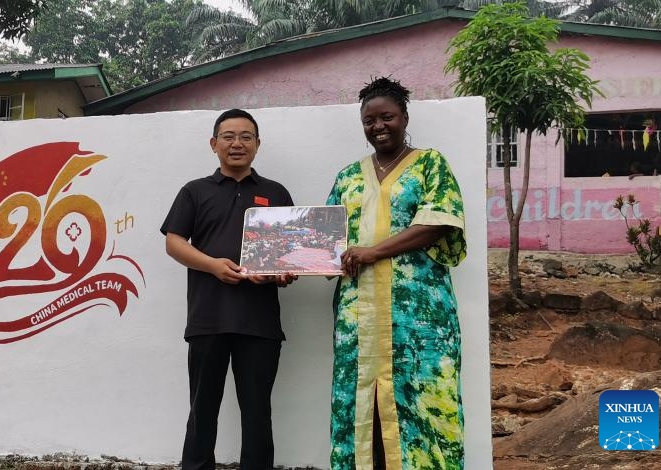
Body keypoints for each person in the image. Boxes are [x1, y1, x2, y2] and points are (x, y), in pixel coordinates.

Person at [325, 77, 467, 469]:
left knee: (421, 395)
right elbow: (326, 238)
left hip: (418, 314)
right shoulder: (348, 176)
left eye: (386, 117)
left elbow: (439, 222)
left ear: (404, 117)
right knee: (359, 399)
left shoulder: (430, 164)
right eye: (369, 121)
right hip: (358, 313)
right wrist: (303, 260)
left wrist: (373, 252)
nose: (378, 126)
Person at [161, 108, 297, 470]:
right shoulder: (194, 191)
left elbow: (289, 253)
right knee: (202, 408)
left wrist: (285, 273)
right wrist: (213, 266)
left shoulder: (276, 192)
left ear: (257, 144)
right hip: (208, 318)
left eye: (246, 137)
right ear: (214, 144)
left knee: (257, 412)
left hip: (259, 322)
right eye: (228, 136)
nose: (237, 144)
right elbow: (174, 243)